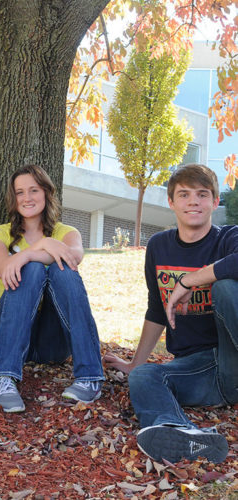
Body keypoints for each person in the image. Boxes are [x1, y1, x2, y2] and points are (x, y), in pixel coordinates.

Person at [104, 164, 238, 464]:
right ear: (171, 202)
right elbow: (156, 308)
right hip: (202, 373)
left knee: (226, 288)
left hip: (232, 352)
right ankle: (183, 433)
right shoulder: (159, 246)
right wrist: (134, 363)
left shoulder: (227, 238)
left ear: (215, 202)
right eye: (184, 194)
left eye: (202, 195)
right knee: (144, 376)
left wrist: (190, 280)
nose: (193, 201)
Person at [0, 164, 104, 413]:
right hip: (7, 329)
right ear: (13, 198)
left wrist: (31, 252)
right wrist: (41, 250)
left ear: (46, 193)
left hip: (51, 341)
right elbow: (5, 268)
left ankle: (90, 376)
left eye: (34, 190)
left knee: (63, 270)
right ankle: (3, 377)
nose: (27, 198)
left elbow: (73, 257)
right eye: (19, 192)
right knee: (34, 269)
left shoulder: (66, 232)